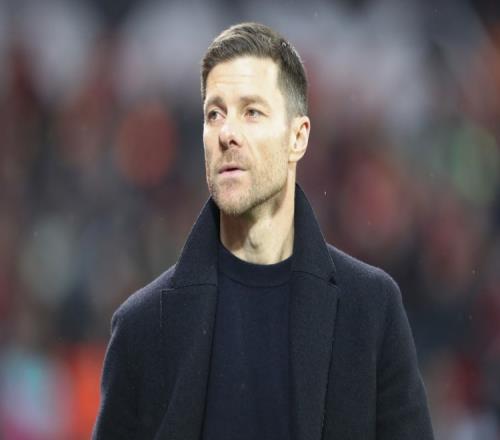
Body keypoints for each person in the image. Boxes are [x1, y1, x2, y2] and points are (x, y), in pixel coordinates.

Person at [93, 22, 434, 440]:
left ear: (298, 138)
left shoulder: (371, 309)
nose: (227, 133)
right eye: (214, 114)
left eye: (251, 112)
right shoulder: (141, 328)